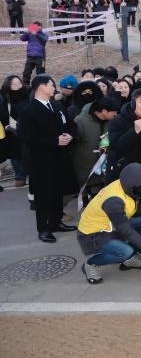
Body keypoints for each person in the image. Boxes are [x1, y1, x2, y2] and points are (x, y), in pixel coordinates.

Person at [77, 162, 141, 284]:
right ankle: (91, 264)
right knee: (124, 251)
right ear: (132, 185)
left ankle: (129, 258)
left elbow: (130, 211)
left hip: (110, 225)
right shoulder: (114, 200)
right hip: (92, 235)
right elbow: (125, 230)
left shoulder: (123, 186)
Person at [17, 75, 78, 243]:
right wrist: (54, 141)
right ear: (41, 87)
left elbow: (71, 124)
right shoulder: (28, 111)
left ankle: (55, 222)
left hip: (60, 157)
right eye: (51, 85)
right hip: (41, 161)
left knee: (58, 192)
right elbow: (26, 137)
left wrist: (70, 135)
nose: (54, 88)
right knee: (43, 196)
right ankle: (43, 228)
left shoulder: (57, 105)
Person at [20, 21, 48, 85]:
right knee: (26, 72)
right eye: (33, 26)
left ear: (40, 27)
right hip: (30, 56)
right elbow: (22, 38)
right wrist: (27, 32)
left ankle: (41, 85)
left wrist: (36, 34)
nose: (34, 28)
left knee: (41, 73)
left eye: (36, 27)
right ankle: (26, 85)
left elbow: (44, 40)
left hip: (41, 57)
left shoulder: (43, 34)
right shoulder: (29, 34)